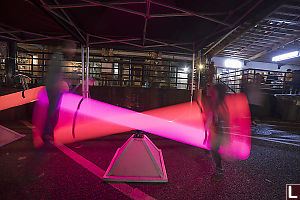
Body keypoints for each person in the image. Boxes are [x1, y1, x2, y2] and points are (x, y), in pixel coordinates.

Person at [41, 41, 76, 145]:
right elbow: (55, 76)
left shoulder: (60, 58)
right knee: (52, 112)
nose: (74, 52)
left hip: (54, 90)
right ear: (67, 49)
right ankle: (47, 134)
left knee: (54, 112)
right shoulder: (58, 58)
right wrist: (62, 83)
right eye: (73, 49)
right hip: (54, 90)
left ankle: (49, 133)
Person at [205, 84, 229, 177]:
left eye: (214, 91)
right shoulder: (216, 102)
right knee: (214, 149)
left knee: (215, 149)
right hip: (216, 130)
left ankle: (219, 169)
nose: (212, 92)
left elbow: (220, 117)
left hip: (218, 131)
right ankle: (219, 168)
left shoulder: (219, 103)